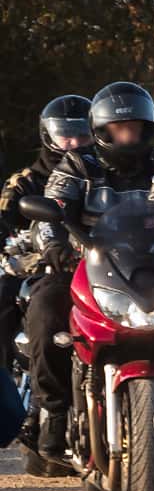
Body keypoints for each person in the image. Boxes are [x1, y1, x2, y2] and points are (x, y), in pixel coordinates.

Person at [24, 82, 154, 466]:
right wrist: (54, 246)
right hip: (88, 265)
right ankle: (54, 410)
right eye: (118, 129)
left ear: (148, 128)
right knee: (45, 308)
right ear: (100, 130)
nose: (127, 136)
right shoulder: (79, 165)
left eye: (134, 127)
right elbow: (50, 209)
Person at [0, 96, 91, 367]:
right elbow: (4, 220)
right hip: (39, 266)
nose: (74, 143)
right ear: (47, 135)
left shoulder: (104, 177)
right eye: (65, 135)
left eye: (82, 134)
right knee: (5, 298)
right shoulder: (25, 182)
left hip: (100, 264)